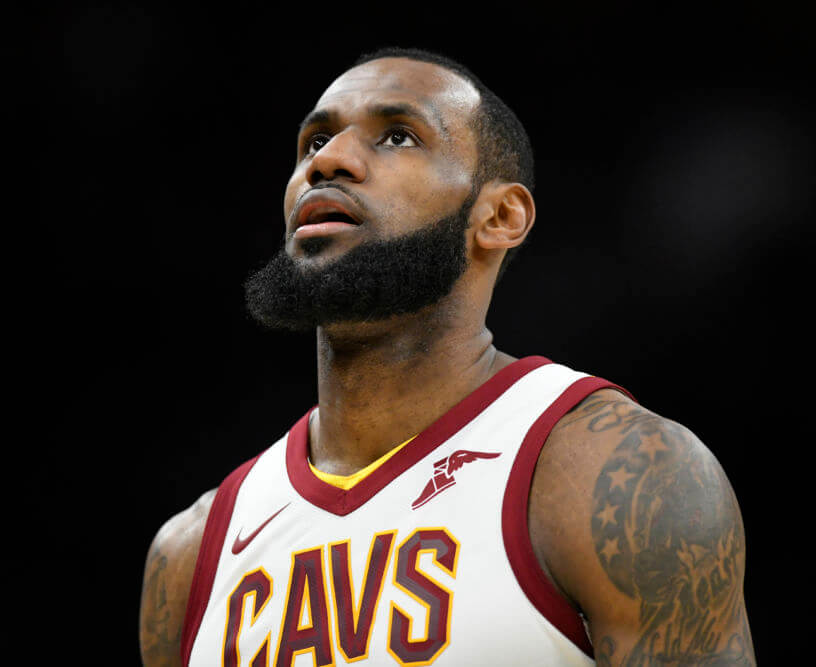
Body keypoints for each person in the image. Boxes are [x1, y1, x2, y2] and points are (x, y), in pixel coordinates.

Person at [139, 47, 754, 667]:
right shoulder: (192, 553)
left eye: (398, 137)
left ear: (499, 216)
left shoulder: (615, 476)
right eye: (314, 142)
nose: (328, 161)